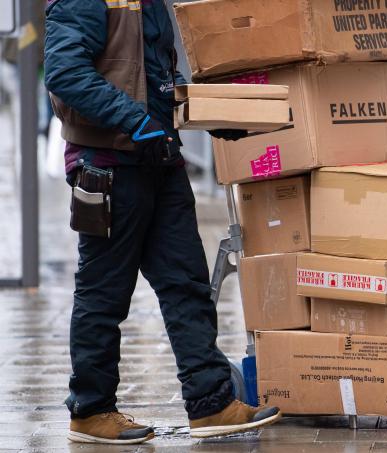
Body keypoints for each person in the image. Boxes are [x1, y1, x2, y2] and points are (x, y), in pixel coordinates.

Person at [43, 0, 280, 444]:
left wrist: (209, 114)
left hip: (158, 160)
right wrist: (136, 122)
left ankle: (211, 404)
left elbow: (153, 80)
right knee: (104, 293)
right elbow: (66, 74)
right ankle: (91, 411)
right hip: (110, 164)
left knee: (186, 282)